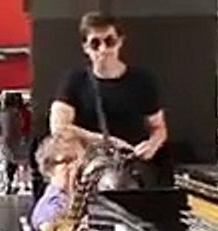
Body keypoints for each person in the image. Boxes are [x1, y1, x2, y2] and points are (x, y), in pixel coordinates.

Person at [50, 12, 168, 165]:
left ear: (120, 42)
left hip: (132, 166)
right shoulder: (74, 81)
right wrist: (106, 141)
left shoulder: (142, 81)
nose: (103, 49)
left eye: (109, 41)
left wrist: (152, 145)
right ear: (85, 48)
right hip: (90, 167)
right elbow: (58, 128)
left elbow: (158, 127)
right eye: (95, 43)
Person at [30, 134, 83, 231]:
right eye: (68, 161)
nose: (75, 167)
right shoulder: (51, 203)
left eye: (78, 161)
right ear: (50, 166)